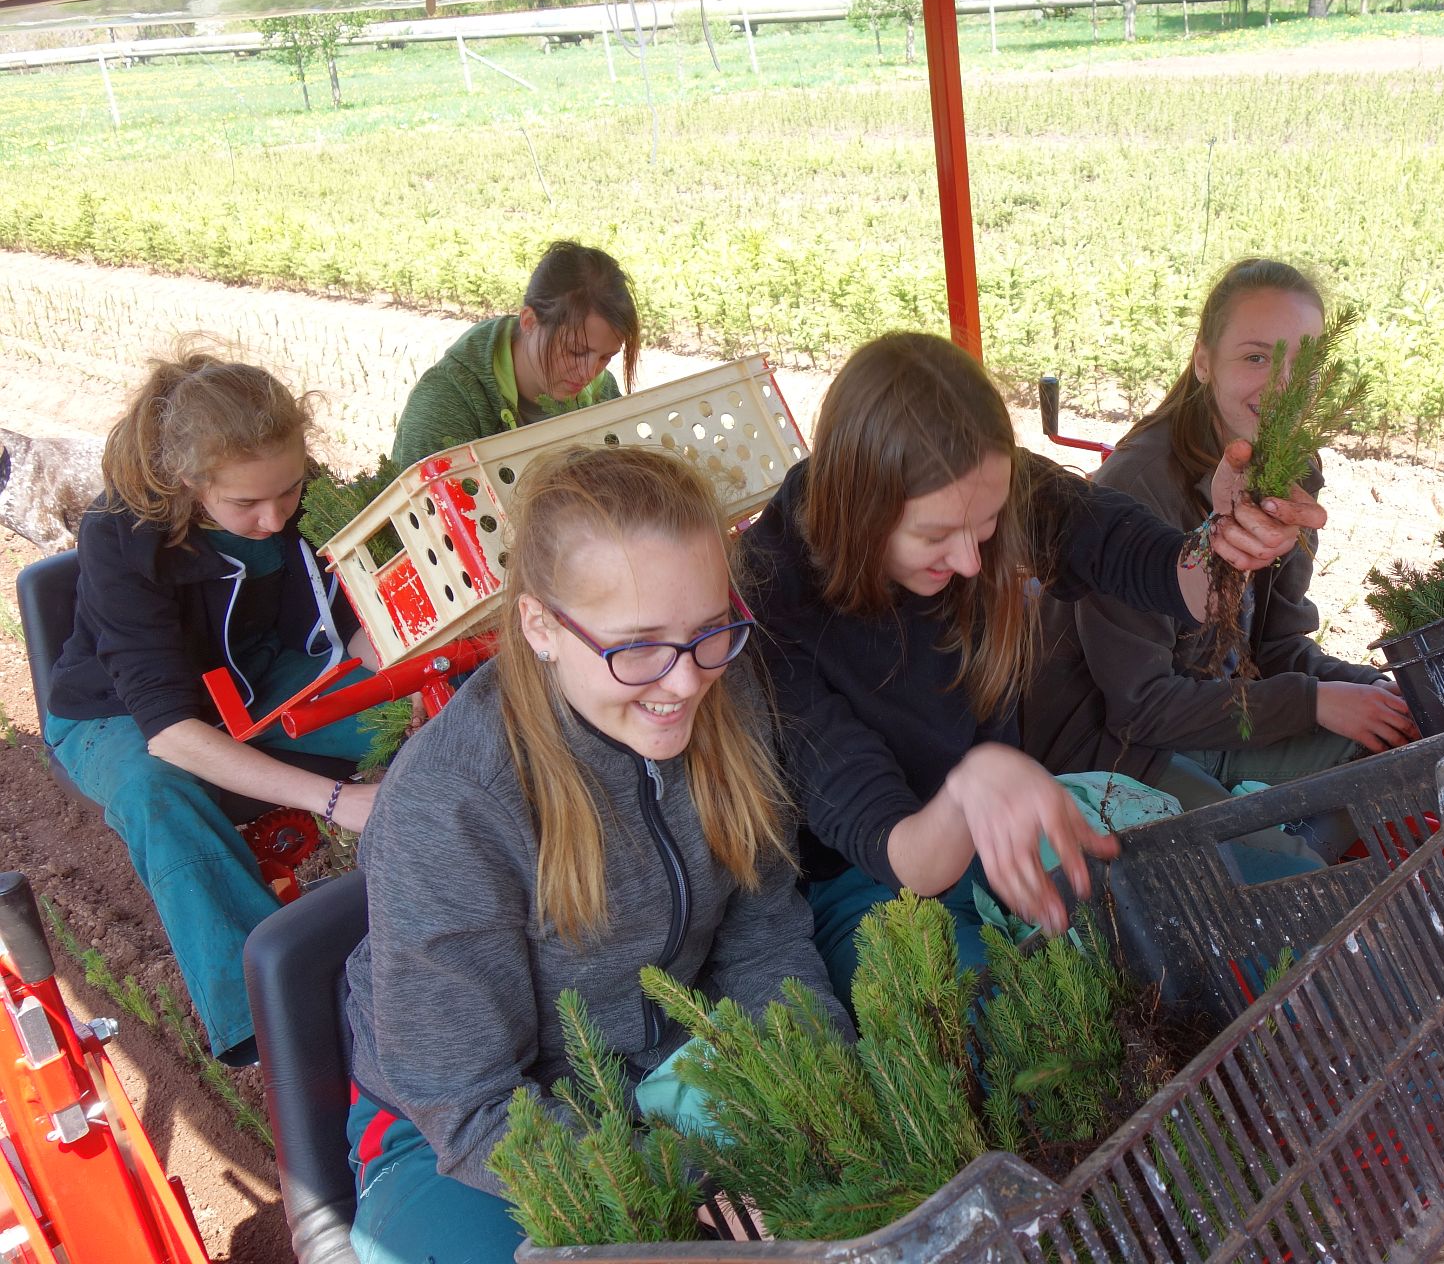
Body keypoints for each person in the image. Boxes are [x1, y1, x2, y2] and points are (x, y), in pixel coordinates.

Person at [342, 445, 844, 1263]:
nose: (684, 683)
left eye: (709, 631)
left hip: (671, 1066)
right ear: (541, 626)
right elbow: (469, 1108)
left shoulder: (726, 696)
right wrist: (688, 1187)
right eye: (637, 647)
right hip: (462, 1138)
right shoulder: (452, 803)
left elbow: (765, 940)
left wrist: (816, 1091)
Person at [738, 330, 1319, 1011]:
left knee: (1252, 911)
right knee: (1009, 1031)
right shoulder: (774, 598)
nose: (970, 562)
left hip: (1008, 819)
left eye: (984, 526)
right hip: (871, 884)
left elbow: (1146, 560)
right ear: (856, 507)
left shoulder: (977, 483)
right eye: (934, 536)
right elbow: (900, 853)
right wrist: (969, 789)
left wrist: (1227, 542)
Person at [44, 348, 383, 1065]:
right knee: (157, 792)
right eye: (245, 505)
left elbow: (344, 611)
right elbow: (169, 731)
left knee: (414, 714)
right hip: (118, 716)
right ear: (188, 483)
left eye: (288, 491)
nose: (274, 516)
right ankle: (278, 1026)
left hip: (255, 676)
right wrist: (336, 799)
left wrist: (381, 659)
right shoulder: (120, 534)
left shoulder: (294, 493)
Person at [1024, 258, 1414, 865]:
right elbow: (1141, 708)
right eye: (1256, 357)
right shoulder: (1138, 485)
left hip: (1220, 713)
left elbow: (1276, 647)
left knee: (1406, 746)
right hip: (1116, 749)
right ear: (1204, 361)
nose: (1282, 388)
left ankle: (1287, 836)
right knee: (1286, 876)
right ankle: (1282, 851)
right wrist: (1314, 702)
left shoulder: (1289, 467)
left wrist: (1374, 690)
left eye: (1304, 367)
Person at [390, 240, 641, 466]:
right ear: (529, 321)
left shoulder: (601, 390)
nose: (589, 372)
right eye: (576, 351)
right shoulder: (444, 401)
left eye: (606, 357)